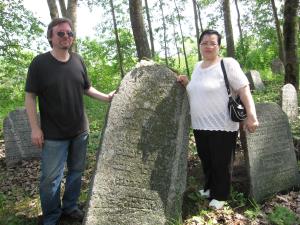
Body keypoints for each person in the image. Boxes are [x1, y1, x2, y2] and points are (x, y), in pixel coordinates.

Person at [25, 18, 115, 225]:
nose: (66, 36)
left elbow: (86, 88)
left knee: (76, 173)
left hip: (80, 131)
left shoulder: (78, 60)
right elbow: (30, 96)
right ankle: (51, 217)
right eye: (61, 33)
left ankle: (71, 208)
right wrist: (34, 128)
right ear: (50, 37)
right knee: (50, 180)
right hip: (53, 135)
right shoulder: (39, 63)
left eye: (69, 33)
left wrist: (107, 97)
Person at [177, 29, 259, 210]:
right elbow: (198, 90)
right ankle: (209, 188)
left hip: (222, 123)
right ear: (199, 46)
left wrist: (251, 116)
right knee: (206, 158)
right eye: (204, 43)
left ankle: (221, 195)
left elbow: (244, 89)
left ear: (218, 46)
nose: (208, 46)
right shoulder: (198, 67)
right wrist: (187, 83)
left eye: (212, 43)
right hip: (199, 124)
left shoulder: (228, 63)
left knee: (221, 161)